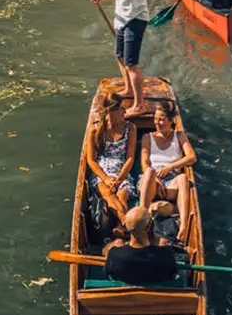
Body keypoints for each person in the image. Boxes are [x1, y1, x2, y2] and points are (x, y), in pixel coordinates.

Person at [81, 0, 151, 117]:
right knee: (119, 56)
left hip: (134, 19)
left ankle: (139, 105)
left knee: (131, 64)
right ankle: (128, 89)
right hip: (121, 17)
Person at [82, 93, 138, 223]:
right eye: (121, 109)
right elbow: (91, 160)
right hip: (102, 174)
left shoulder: (130, 128)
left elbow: (130, 158)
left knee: (121, 197)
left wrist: (119, 180)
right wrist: (106, 179)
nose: (125, 112)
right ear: (110, 111)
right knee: (109, 195)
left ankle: (120, 226)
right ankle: (125, 223)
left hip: (122, 173)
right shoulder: (95, 130)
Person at [138, 101, 198, 210]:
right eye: (155, 119)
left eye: (161, 119)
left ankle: (183, 226)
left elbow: (192, 157)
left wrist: (170, 167)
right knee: (149, 172)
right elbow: (144, 163)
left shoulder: (179, 135)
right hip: (152, 180)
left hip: (171, 182)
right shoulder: (147, 137)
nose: (157, 123)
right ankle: (143, 213)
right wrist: (155, 180)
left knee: (183, 177)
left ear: (171, 120)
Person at [103, 206, 179, 285]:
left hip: (126, 296)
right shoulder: (166, 255)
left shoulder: (115, 255)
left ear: (126, 226)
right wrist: (160, 246)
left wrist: (117, 247)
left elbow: (108, 273)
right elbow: (173, 274)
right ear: (149, 227)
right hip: (158, 296)